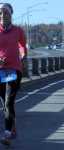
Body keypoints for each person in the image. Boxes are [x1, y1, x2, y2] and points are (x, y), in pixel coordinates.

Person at [0, 3, 27, 145]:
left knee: (9, 102)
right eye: (1, 13)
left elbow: (23, 46)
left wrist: (22, 56)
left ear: (11, 15)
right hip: (0, 71)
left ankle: (7, 134)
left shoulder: (18, 31)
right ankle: (12, 129)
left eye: (6, 13)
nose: (3, 16)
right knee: (5, 104)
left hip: (14, 71)